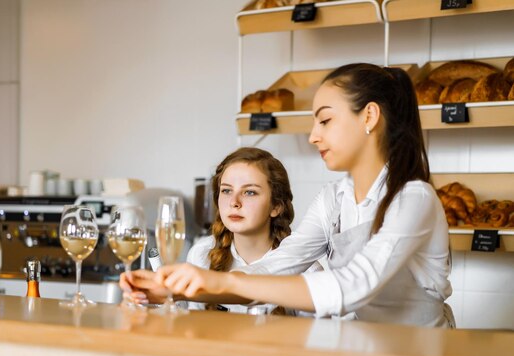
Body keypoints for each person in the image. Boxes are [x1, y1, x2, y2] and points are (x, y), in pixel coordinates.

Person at [125, 63, 454, 328]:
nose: (313, 136)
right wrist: (176, 288)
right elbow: (274, 268)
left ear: (368, 116)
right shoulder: (333, 200)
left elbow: (352, 286)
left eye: (325, 120)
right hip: (368, 354)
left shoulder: (414, 198)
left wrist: (218, 284)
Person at [123, 147, 300, 314]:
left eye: (250, 192)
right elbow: (192, 326)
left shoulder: (304, 268)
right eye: (226, 190)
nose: (234, 202)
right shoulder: (202, 254)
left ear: (276, 206)